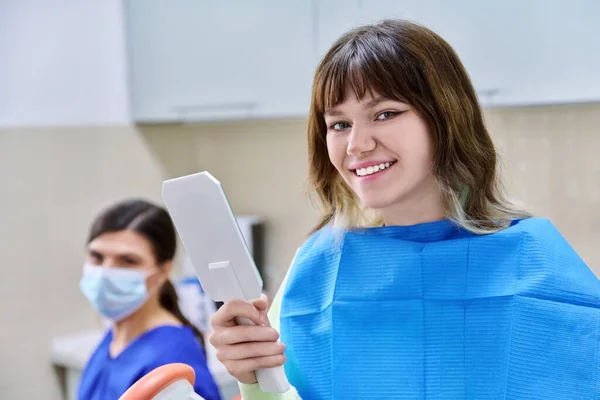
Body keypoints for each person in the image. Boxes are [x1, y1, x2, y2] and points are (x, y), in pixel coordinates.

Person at [208, 19, 600, 399]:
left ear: (446, 118)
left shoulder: (533, 261)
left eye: (385, 114)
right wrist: (254, 376)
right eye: (339, 124)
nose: (356, 145)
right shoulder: (318, 267)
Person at [77, 199, 222, 400]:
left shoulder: (172, 356)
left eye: (128, 261)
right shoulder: (116, 336)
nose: (105, 272)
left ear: (163, 271)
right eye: (97, 256)